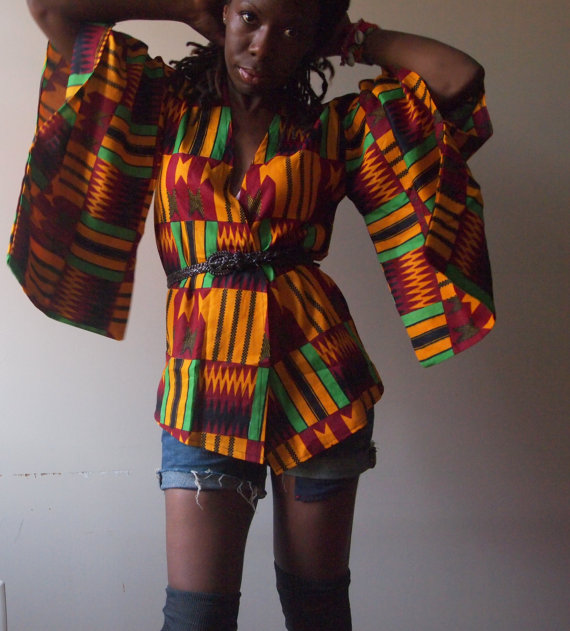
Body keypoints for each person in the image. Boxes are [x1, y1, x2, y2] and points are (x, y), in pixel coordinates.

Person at [9, 0, 494, 629]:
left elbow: (458, 79)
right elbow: (52, 8)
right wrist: (185, 8)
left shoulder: (331, 129)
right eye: (249, 18)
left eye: (290, 30)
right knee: (196, 617)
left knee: (318, 610)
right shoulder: (163, 105)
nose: (263, 45)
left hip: (322, 381)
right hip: (205, 382)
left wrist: (349, 38)